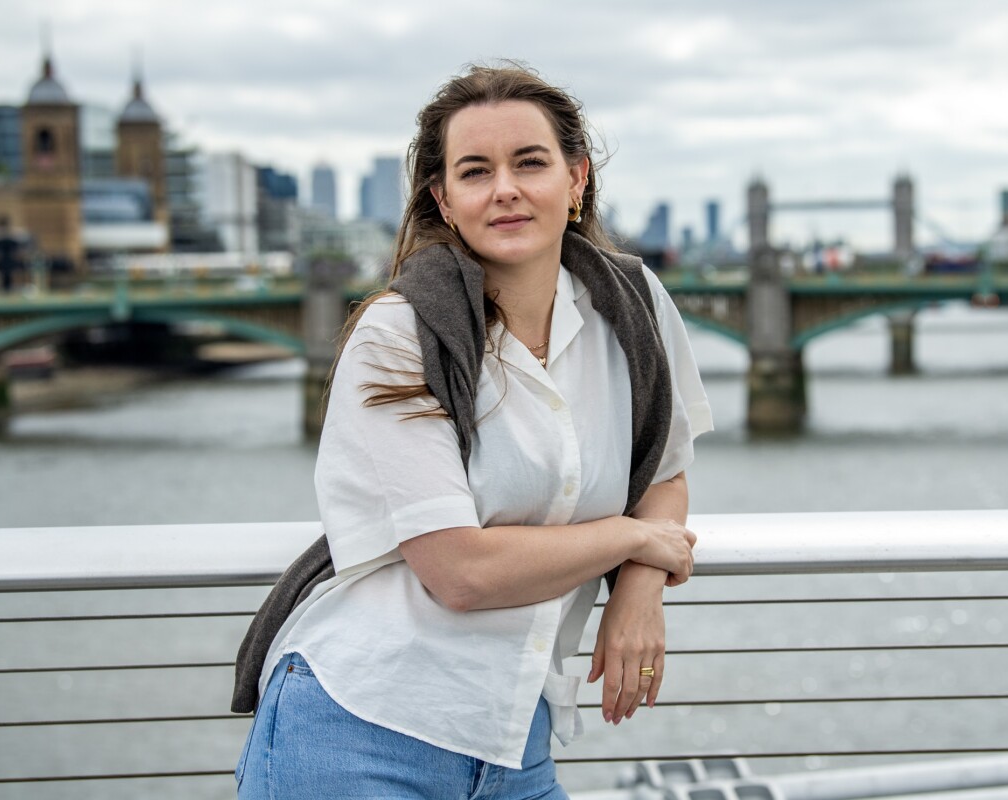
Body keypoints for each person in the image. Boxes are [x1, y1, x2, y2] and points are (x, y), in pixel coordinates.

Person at [234, 63, 713, 799]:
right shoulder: (396, 337)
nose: (506, 190)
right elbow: (461, 572)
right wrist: (629, 541)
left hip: (516, 738)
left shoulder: (636, 306)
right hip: (358, 732)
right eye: (475, 171)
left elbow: (666, 474)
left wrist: (640, 589)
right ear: (444, 200)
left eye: (530, 162)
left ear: (576, 178)